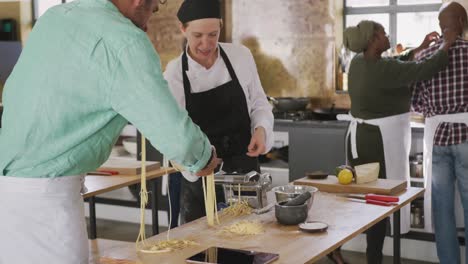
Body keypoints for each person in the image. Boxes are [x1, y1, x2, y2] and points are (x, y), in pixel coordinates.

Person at [0, 0, 222, 263]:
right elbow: (179, 139)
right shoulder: (124, 41)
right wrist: (205, 158)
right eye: (156, 2)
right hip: (48, 202)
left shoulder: (55, 17)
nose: (156, 10)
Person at [338, 20, 457, 264]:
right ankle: (375, 259)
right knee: (380, 203)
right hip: (377, 142)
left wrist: (420, 46)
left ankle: (373, 257)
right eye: (382, 33)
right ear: (372, 40)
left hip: (363, 138)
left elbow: (396, 63)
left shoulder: (360, 62)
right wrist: (447, 45)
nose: (387, 35)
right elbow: (422, 69)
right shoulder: (379, 69)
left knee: (372, 202)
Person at [163, 0, 274, 223]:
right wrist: (196, 165)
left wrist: (261, 129)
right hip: (199, 175)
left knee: (248, 243)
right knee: (201, 250)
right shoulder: (174, 73)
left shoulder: (241, 56)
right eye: (198, 36)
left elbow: (259, 102)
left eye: (213, 34)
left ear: (221, 27)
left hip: (245, 171)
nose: (206, 43)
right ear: (183, 30)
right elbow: (173, 132)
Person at [411, 2, 468, 263]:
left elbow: (416, 104)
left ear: (440, 25)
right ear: (463, 23)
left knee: (442, 210)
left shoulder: (424, 57)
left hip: (437, 139)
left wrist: (436, 110)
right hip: (467, 136)